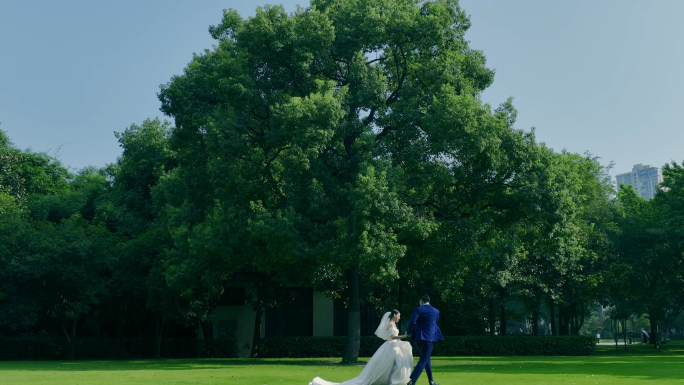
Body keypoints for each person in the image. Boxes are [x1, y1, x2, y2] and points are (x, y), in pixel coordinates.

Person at [309, 310, 413, 385]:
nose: (399, 317)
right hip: (392, 347)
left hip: (394, 346)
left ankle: (393, 380)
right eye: (398, 315)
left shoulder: (393, 324)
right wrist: (404, 336)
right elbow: (392, 336)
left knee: (396, 364)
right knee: (391, 364)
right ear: (394, 315)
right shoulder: (390, 324)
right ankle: (391, 380)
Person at [406, 295, 443, 385]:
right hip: (429, 338)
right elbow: (434, 323)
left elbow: (412, 321)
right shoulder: (436, 311)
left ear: (421, 301)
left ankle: (431, 380)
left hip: (418, 337)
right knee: (424, 359)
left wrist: (408, 331)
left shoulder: (419, 309)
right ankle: (412, 381)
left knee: (426, 358)